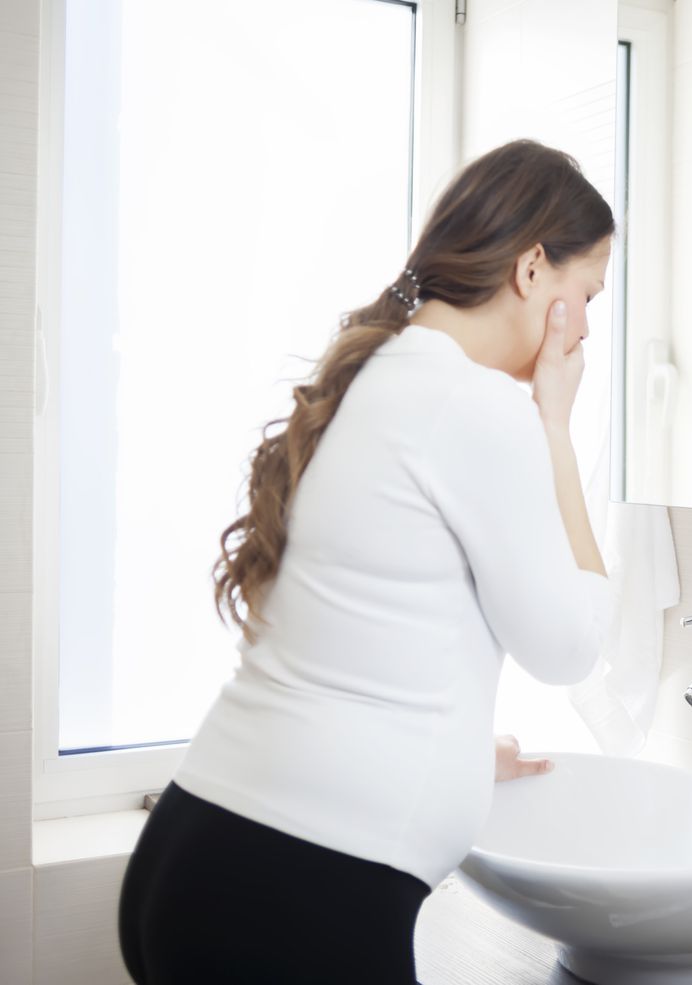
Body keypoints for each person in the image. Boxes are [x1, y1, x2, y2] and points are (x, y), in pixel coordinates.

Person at [117, 139, 616, 984]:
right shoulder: (473, 405)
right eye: (588, 291)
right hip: (294, 890)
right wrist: (556, 429)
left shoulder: (375, 374)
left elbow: (360, 619)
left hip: (207, 852)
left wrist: (455, 744)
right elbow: (570, 646)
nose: (589, 324)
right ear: (533, 270)